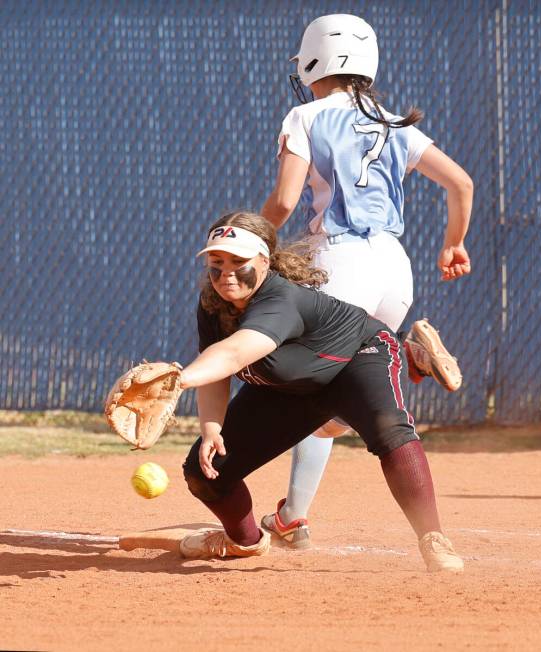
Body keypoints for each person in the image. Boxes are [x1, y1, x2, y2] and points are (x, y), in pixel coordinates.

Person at [259, 14, 474, 547]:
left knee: (303, 385)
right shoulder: (395, 122)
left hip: (339, 262)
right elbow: (461, 183)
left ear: (315, 62)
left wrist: (255, 238)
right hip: (393, 269)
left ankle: (412, 355)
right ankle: (291, 518)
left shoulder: (305, 114)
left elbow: (285, 201)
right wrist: (453, 243)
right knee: (338, 403)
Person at [162, 210, 463, 572]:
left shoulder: (279, 300)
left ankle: (434, 539)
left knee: (388, 427)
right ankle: (244, 542)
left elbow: (234, 353)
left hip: (356, 358)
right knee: (204, 470)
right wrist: (211, 429)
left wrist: (177, 379)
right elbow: (217, 372)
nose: (226, 272)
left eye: (238, 261)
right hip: (292, 387)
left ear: (263, 261)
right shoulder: (213, 304)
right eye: (216, 261)